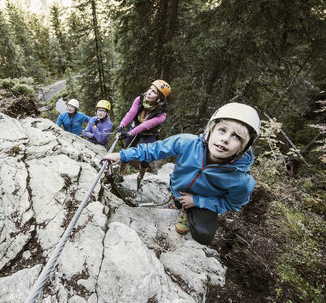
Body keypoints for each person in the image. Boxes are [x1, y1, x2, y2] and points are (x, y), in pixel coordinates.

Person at [103, 102, 260, 246]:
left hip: (204, 198)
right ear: (211, 130)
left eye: (236, 137)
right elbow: (154, 150)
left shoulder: (241, 180)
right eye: (222, 130)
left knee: (203, 235)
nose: (225, 139)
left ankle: (187, 207)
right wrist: (122, 156)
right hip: (178, 188)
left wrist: (198, 201)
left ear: (244, 146)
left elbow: (232, 204)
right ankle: (179, 203)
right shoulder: (187, 143)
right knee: (180, 201)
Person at [115, 79, 171, 188]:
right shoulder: (140, 99)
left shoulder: (161, 114)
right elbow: (131, 113)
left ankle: (140, 178)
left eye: (154, 92)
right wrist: (121, 126)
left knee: (146, 157)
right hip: (135, 126)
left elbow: (145, 125)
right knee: (127, 150)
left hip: (149, 133)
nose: (149, 92)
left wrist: (129, 133)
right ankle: (120, 175)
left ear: (159, 98)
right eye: (150, 89)